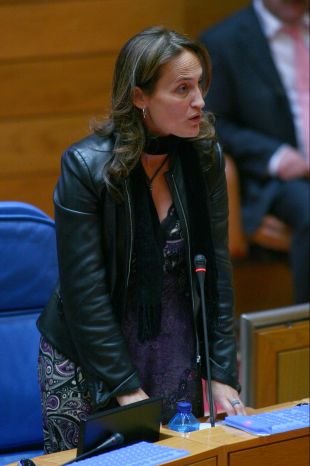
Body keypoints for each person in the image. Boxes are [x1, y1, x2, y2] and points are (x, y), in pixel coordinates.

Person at [37, 26, 245, 454]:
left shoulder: (205, 156)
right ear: (139, 98)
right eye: (183, 88)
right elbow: (84, 293)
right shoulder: (86, 166)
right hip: (90, 357)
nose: (200, 101)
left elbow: (217, 273)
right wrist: (125, 390)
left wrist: (221, 373)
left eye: (200, 85)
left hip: (175, 348)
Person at [200, 0, 310, 304]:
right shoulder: (223, 40)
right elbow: (211, 122)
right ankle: (303, 339)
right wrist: (273, 155)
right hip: (272, 179)